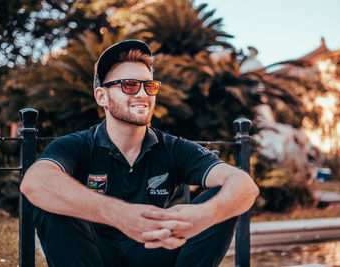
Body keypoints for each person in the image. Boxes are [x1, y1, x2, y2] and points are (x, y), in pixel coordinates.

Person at [20, 39, 259, 267]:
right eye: (129, 85)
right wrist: (120, 215)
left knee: (226, 196)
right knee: (50, 199)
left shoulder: (171, 146)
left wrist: (205, 215)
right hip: (93, 256)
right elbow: (34, 182)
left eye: (149, 85)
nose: (143, 94)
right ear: (102, 96)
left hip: (155, 251)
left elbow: (245, 185)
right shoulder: (77, 145)